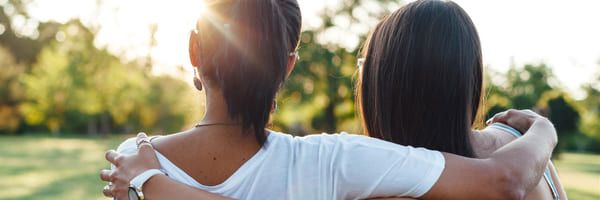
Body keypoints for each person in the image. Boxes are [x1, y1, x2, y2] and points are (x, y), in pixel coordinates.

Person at [100, 0, 557, 199]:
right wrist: (543, 128)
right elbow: (505, 180)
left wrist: (153, 184)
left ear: (194, 51)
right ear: (287, 67)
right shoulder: (339, 161)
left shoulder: (134, 162)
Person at [356, 0, 566, 199]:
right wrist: (543, 128)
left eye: (366, 67)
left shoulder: (388, 186)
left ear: (387, 87)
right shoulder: (527, 146)